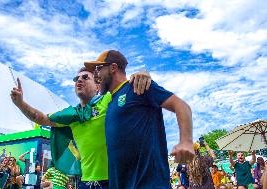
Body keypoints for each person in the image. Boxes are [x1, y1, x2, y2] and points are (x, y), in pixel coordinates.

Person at [11, 67, 151, 189]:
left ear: (97, 86)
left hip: (115, 180)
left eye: (85, 77)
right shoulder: (71, 114)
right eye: (76, 78)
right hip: (85, 183)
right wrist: (20, 103)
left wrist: (143, 74)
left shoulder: (108, 100)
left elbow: (130, 89)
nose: (79, 80)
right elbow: (40, 118)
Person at [84, 50, 195, 189]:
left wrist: (186, 141)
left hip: (149, 184)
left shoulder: (137, 86)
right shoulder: (110, 102)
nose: (96, 74)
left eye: (99, 69)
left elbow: (181, 106)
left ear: (113, 68)